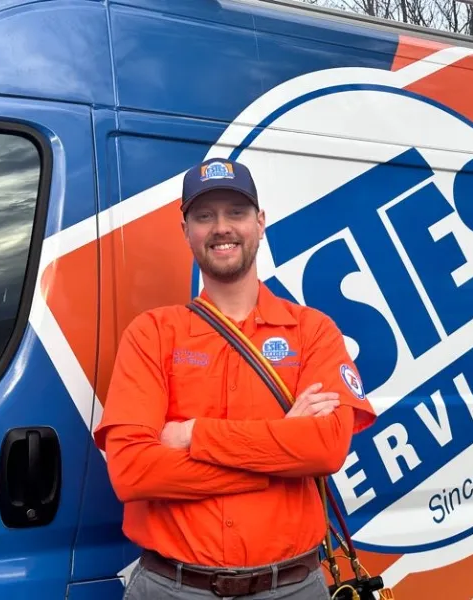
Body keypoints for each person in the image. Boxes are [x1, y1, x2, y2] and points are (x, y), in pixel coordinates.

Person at [93, 157, 377, 599]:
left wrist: (195, 435)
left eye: (236, 213)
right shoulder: (152, 333)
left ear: (260, 223)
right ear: (185, 229)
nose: (221, 227)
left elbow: (325, 449)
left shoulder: (313, 331)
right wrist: (280, 451)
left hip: (291, 588)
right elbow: (133, 473)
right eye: (205, 216)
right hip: (172, 588)